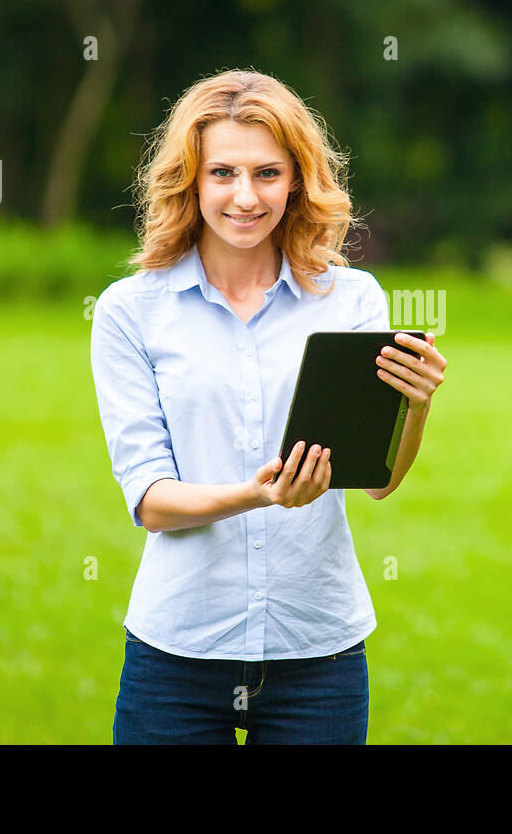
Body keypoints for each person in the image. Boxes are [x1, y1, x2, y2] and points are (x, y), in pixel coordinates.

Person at [91, 68, 447, 744]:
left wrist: (416, 407)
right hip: (178, 653)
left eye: (267, 173)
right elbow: (151, 499)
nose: (245, 196)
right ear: (191, 180)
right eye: (222, 172)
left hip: (318, 655)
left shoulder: (352, 300)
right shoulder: (130, 311)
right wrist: (258, 495)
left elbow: (376, 480)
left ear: (296, 180)